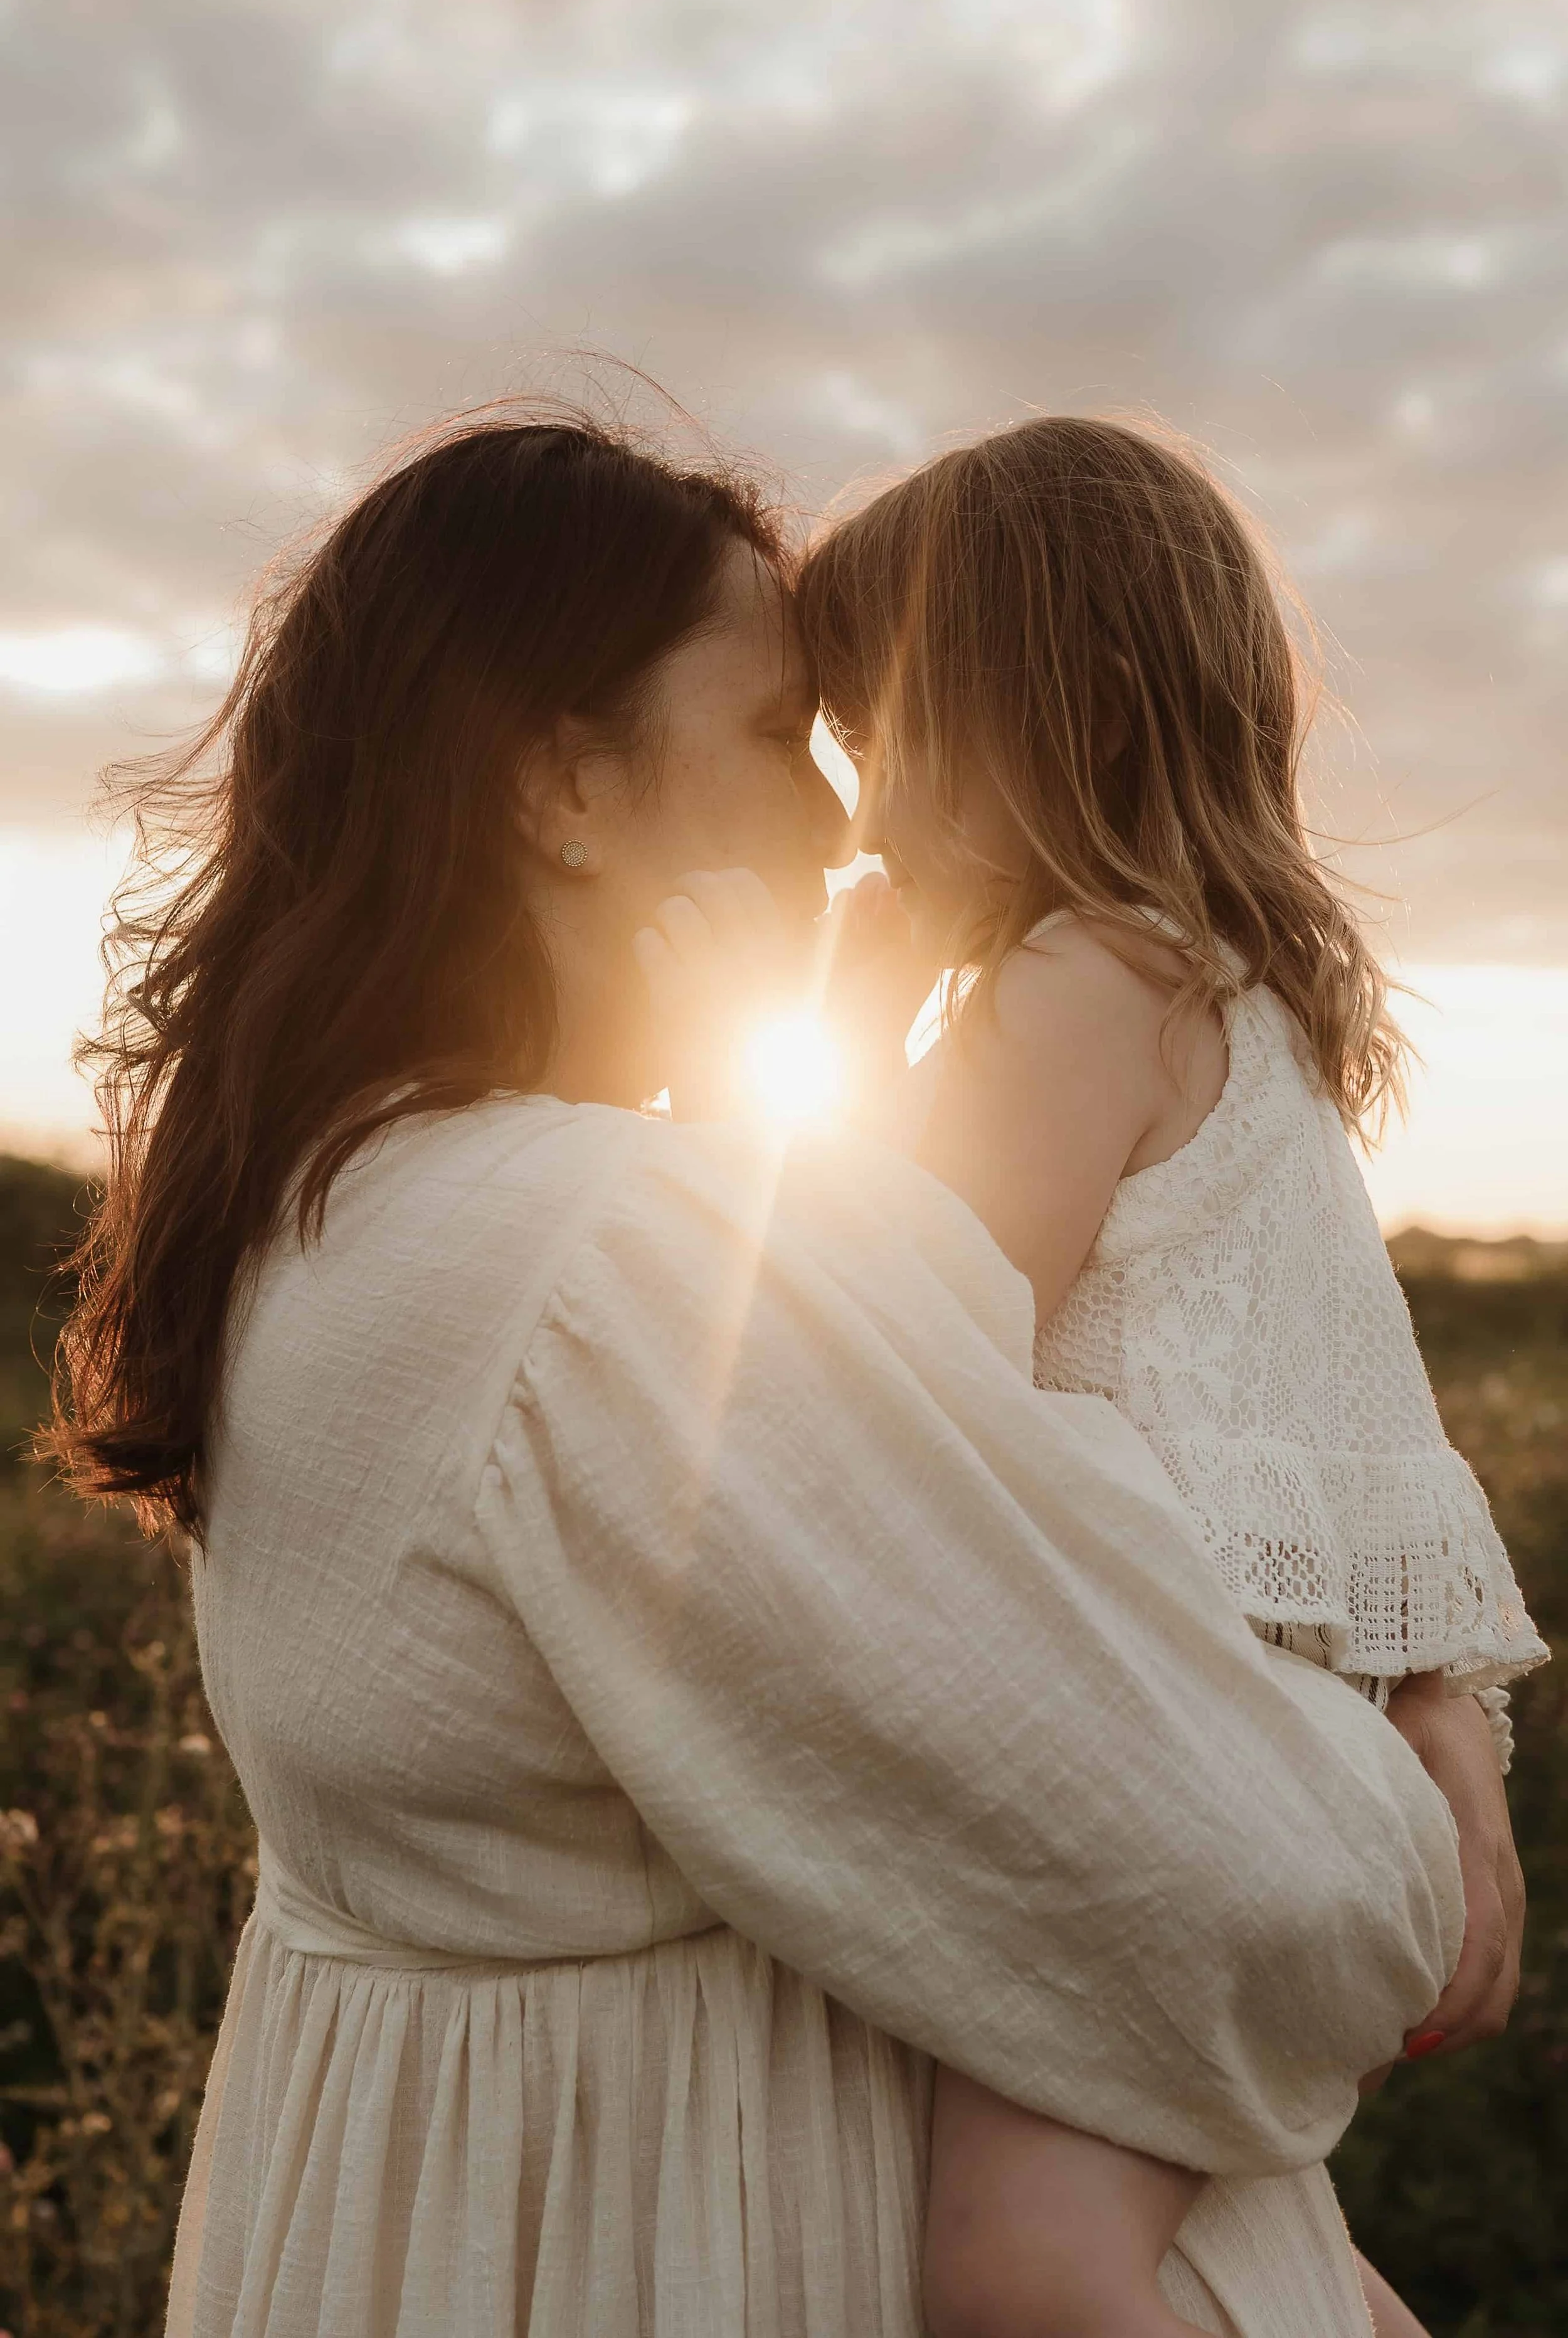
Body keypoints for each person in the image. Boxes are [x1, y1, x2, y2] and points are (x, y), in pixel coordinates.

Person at [48, 407, 1481, 2338]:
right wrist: (1422, 1800)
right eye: (771, 735)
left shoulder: (355, 1199)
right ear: (564, 782)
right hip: (669, 2239)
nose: (836, 825)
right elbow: (1260, 1873)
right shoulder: (616, 1259)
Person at [777, 413, 1546, 2338]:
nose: (859, 817)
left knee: (1018, 2283)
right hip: (1298, 1765)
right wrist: (1449, 1733)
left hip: (1156, 1764)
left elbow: (894, 1337)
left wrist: (845, 1024)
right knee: (1250, 2252)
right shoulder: (1246, 1003)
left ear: (1065, 708)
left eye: (884, 739)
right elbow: (1368, 1418)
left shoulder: (1073, 988)